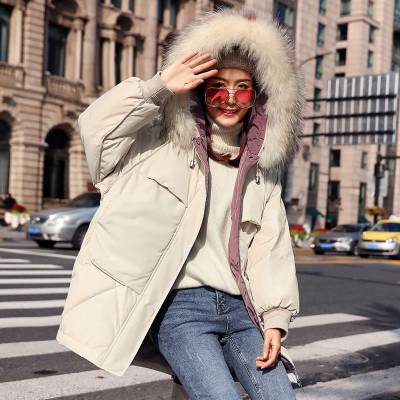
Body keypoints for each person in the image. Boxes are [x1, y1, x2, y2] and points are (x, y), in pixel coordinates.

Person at [56, 9, 304, 399]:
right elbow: (96, 133)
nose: (230, 99)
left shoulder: (260, 172)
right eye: (217, 86)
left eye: (243, 87)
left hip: (243, 313)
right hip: (181, 310)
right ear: (200, 88)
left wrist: (275, 320)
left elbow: (270, 251)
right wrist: (157, 88)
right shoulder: (155, 146)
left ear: (259, 95)